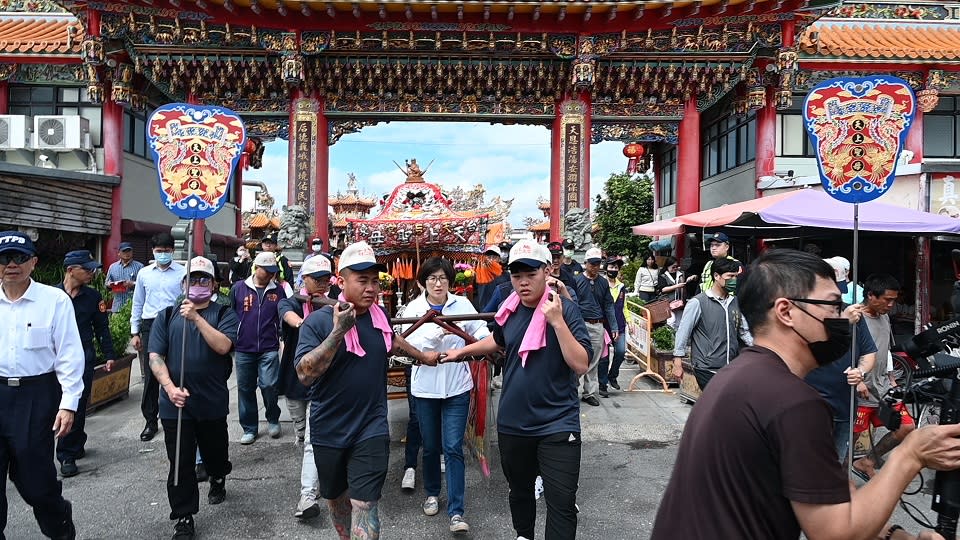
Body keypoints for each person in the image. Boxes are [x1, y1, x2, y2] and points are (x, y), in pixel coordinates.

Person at [651, 248, 960, 540]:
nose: (843, 318)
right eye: (833, 305)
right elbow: (834, 532)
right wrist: (910, 455)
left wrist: (892, 534)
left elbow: (827, 488)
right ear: (786, 311)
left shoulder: (740, 375)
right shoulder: (794, 402)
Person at [442, 239, 591, 540]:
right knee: (520, 492)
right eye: (516, 275)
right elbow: (498, 341)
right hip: (514, 423)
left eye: (530, 274)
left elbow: (581, 364)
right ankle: (524, 534)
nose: (522, 282)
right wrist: (463, 351)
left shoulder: (565, 310)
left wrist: (557, 322)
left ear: (547, 271)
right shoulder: (509, 309)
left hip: (557, 423)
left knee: (561, 503)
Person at [295, 241, 440, 540]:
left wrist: (424, 357)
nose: (372, 288)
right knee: (337, 499)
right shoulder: (318, 322)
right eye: (363, 281)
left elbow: (394, 341)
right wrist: (339, 331)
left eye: (375, 281)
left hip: (370, 427)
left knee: (365, 504)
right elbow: (304, 374)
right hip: (329, 429)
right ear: (341, 281)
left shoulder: (379, 317)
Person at [148, 256, 239, 540]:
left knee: (215, 454)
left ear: (213, 284)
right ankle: (184, 516)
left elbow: (224, 346)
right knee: (181, 462)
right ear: (183, 283)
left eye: (204, 279)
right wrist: (169, 387)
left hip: (211, 401)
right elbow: (155, 356)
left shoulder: (224, 313)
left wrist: (197, 318)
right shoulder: (166, 315)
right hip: (176, 405)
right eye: (192, 279)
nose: (197, 284)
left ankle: (218, 476)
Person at [0, 231, 82, 540]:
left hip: (35, 397)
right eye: (5, 257)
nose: (12, 265)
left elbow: (70, 356)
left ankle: (60, 528)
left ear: (33, 262)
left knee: (37, 484)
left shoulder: (54, 301)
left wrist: (68, 404)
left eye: (20, 258)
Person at [403, 257, 490, 534]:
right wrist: (435, 335)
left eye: (442, 278)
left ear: (450, 281)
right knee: (430, 445)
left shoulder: (462, 305)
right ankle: (431, 491)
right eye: (432, 278)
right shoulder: (414, 308)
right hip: (425, 388)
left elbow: (481, 333)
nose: (437, 283)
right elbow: (406, 344)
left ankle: (456, 511)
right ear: (422, 282)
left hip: (456, 387)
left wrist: (478, 342)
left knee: (453, 447)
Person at [278, 254, 335, 520]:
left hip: (323, 380)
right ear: (305, 280)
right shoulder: (293, 301)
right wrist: (306, 323)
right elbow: (287, 314)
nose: (323, 283)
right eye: (317, 279)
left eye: (327, 278)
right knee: (302, 435)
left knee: (313, 438)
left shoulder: (336, 303)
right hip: (295, 379)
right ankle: (314, 476)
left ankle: (307, 496)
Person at [55, 250, 116, 478]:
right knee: (53, 405)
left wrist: (109, 355)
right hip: (54, 359)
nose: (92, 273)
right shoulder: (52, 295)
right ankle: (72, 443)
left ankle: (67, 454)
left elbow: (102, 328)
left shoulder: (93, 297)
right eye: (87, 269)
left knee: (77, 406)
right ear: (71, 270)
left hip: (83, 357)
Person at [852, 274, 916, 479]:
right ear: (871, 295)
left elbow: (885, 350)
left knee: (906, 426)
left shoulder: (885, 317)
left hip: (882, 387)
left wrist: (891, 377)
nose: (890, 305)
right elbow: (843, 354)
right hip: (859, 389)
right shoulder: (854, 319)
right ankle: (842, 479)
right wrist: (859, 379)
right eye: (887, 299)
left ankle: (867, 461)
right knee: (850, 438)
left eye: (893, 300)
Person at [229, 250, 291, 444]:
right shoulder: (239, 288)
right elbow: (231, 315)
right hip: (243, 347)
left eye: (273, 271)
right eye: (267, 270)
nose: (271, 274)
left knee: (270, 385)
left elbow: (283, 315)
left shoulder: (278, 290)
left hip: (269, 346)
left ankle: (273, 418)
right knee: (245, 388)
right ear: (257, 267)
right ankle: (249, 427)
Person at [131, 232, 186, 442]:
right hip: (150, 323)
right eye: (159, 251)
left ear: (173, 250)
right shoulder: (145, 274)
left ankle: (173, 416)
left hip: (175, 321)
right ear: (153, 252)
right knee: (151, 374)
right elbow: (138, 302)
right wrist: (135, 332)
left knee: (175, 370)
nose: (163, 254)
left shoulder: (182, 272)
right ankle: (150, 421)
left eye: (166, 251)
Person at [804, 301, 876, 462]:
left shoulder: (854, 313)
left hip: (845, 406)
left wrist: (860, 371)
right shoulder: (806, 311)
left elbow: (868, 352)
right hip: (812, 408)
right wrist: (842, 323)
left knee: (836, 464)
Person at [671, 257, 752, 390]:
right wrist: (678, 362)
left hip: (730, 366)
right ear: (716, 276)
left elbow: (744, 332)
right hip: (706, 368)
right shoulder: (698, 302)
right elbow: (683, 332)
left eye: (736, 277)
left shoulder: (735, 302)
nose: (734, 280)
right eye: (730, 276)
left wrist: (762, 350)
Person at [573, 247, 618, 404]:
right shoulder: (577, 281)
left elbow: (608, 305)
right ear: (585, 264)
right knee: (578, 358)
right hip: (581, 324)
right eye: (592, 264)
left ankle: (590, 392)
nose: (595, 267)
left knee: (594, 360)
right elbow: (573, 304)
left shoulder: (603, 283)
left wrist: (613, 327)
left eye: (598, 264)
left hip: (598, 324)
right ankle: (571, 388)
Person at [601, 258, 627, 391]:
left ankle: (613, 375)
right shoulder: (601, 284)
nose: (614, 270)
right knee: (604, 356)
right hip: (604, 325)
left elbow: (624, 306)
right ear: (606, 268)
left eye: (616, 268)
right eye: (611, 267)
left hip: (620, 324)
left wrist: (629, 320)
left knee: (621, 351)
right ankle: (602, 384)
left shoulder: (621, 286)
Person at [657, 256, 696, 329]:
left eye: (676, 267)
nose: (675, 269)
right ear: (667, 266)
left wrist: (692, 277)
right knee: (671, 320)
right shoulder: (663, 276)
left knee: (680, 322)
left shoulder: (681, 274)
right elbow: (663, 289)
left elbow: (694, 276)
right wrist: (677, 286)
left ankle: (677, 338)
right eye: (673, 267)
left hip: (680, 303)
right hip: (668, 303)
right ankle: (670, 337)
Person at [105, 242, 143, 313]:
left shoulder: (139, 266)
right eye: (124, 251)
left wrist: (133, 283)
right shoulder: (113, 267)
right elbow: (107, 283)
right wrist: (111, 284)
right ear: (119, 253)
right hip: (117, 307)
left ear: (132, 252)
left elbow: (144, 284)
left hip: (133, 307)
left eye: (129, 251)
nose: (127, 253)